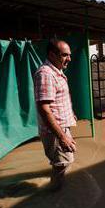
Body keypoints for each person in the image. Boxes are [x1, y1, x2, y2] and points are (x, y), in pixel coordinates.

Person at [34, 39, 77, 191]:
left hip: (61, 126)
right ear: (52, 55)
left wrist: (71, 115)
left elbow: (57, 100)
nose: (69, 59)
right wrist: (62, 137)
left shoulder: (56, 72)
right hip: (55, 131)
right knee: (63, 163)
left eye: (69, 55)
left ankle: (57, 186)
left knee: (63, 161)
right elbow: (44, 109)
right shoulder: (46, 74)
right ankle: (54, 195)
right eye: (65, 55)